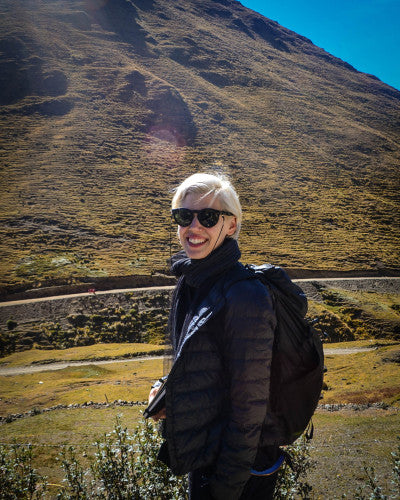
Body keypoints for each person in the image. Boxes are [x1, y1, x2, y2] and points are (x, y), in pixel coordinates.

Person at [148, 172, 284, 499]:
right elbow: (203, 367)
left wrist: (224, 488)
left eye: (208, 217)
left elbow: (249, 409)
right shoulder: (193, 283)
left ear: (232, 226)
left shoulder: (245, 296)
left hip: (240, 473)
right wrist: (169, 391)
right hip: (206, 457)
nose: (193, 227)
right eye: (184, 216)